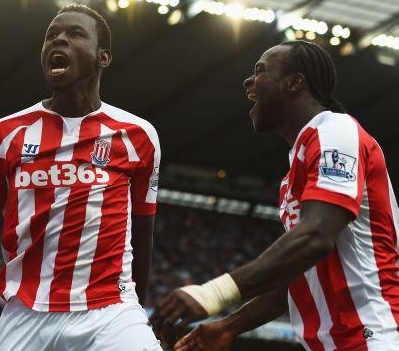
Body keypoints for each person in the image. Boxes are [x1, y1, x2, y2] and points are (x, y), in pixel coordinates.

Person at [0, 4, 162, 351]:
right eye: (51, 36)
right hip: (26, 316)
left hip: (109, 310)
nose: (58, 40)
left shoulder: (138, 136)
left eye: (74, 34)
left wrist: (138, 309)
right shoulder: (5, 134)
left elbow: (143, 234)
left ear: (103, 57)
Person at [150, 40, 399, 351]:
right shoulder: (295, 169)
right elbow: (298, 272)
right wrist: (229, 326)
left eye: (260, 71)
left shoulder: (335, 130)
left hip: (375, 335)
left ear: (294, 83)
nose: (248, 81)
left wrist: (214, 292)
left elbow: (317, 235)